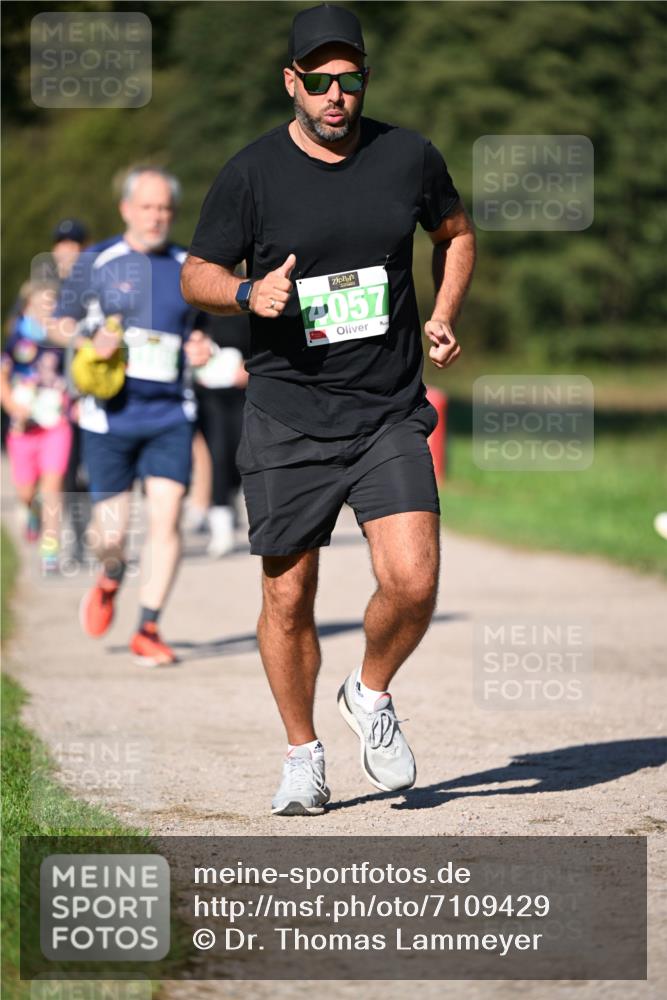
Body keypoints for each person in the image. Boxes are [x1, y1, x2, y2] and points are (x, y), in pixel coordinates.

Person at [181, 3, 476, 814]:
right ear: (292, 83)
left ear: (364, 81)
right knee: (286, 594)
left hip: (385, 408)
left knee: (413, 583)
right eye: (319, 81)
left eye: (349, 79)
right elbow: (196, 273)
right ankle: (301, 754)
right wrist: (246, 292)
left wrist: (445, 311)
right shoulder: (251, 173)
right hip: (286, 412)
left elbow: (454, 232)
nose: (336, 94)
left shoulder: (407, 155)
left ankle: (370, 694)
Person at [54, 168, 211, 665]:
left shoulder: (190, 266)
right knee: (112, 536)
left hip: (170, 413)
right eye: (147, 207)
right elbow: (59, 324)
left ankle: (148, 626)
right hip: (109, 417)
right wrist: (86, 339)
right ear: (126, 209)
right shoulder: (95, 261)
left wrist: (201, 346)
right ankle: (110, 576)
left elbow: (202, 330)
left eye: (164, 207)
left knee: (167, 518)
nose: (157, 216)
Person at [1, 280, 72, 574]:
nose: (47, 310)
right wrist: (14, 406)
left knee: (52, 487)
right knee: (27, 492)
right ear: (27, 306)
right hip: (24, 427)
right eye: (41, 304)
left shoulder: (64, 338)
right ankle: (32, 512)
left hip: (56, 424)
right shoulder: (17, 337)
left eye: (51, 304)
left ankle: (50, 552)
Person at [191, 311, 250, 557]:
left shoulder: (248, 298)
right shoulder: (196, 305)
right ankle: (221, 526)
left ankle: (231, 499)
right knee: (218, 455)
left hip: (242, 391)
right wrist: (194, 345)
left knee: (240, 455)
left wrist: (251, 367)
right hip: (208, 394)